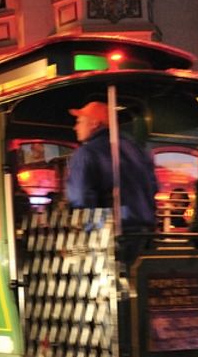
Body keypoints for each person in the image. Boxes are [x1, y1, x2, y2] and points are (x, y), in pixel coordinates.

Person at [65, 100, 158, 255]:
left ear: (94, 123)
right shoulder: (137, 150)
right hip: (145, 234)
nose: (75, 127)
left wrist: (89, 235)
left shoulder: (86, 153)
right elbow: (152, 187)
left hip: (110, 236)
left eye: (79, 121)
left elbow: (80, 199)